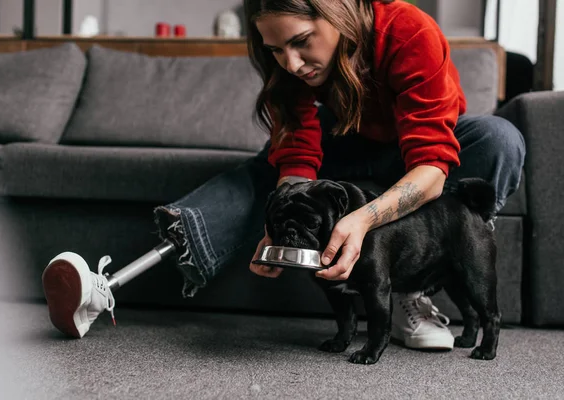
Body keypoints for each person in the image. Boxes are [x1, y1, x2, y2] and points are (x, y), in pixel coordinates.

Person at [42, 0, 525, 349]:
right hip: (335, 170)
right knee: (262, 173)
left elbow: (432, 164)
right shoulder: (288, 72)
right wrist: (279, 222)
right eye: (275, 51)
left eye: (300, 42)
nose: (290, 64)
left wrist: (362, 222)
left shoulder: (407, 30)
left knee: (499, 138)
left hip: (408, 163)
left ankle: (409, 289)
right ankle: (102, 288)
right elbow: (297, 157)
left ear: (339, 10)